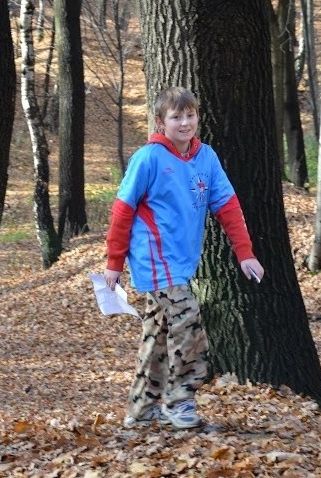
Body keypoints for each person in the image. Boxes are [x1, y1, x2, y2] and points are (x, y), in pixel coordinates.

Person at [103, 86, 265, 430]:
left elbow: (228, 206)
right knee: (188, 323)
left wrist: (245, 253)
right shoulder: (148, 159)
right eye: (176, 116)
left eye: (190, 115)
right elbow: (122, 211)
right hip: (154, 260)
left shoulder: (206, 157)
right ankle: (180, 402)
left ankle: (141, 409)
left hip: (182, 262)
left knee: (158, 334)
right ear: (161, 121)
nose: (185, 122)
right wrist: (113, 263)